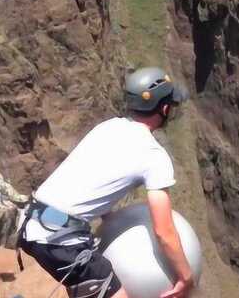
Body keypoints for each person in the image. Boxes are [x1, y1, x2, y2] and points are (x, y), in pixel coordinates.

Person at [17, 67, 195, 298]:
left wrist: (110, 218)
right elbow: (164, 231)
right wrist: (186, 277)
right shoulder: (154, 156)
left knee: (91, 288)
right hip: (58, 240)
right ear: (164, 108)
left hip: (31, 219)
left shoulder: (109, 126)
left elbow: (91, 172)